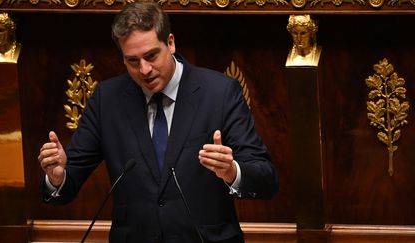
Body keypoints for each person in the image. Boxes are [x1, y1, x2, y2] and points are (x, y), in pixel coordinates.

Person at [38, 1, 278, 242]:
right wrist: (57, 177)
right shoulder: (106, 99)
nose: (144, 70)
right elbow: (68, 183)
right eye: (132, 61)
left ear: (170, 43)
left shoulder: (220, 92)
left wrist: (231, 171)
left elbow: (266, 179)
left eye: (151, 56)